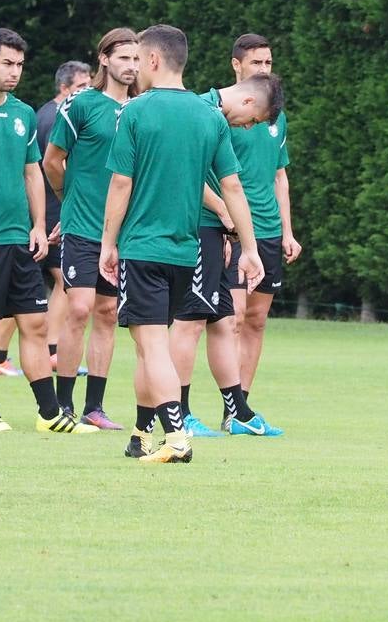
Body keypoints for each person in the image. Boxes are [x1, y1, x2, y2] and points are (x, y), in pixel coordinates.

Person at [99, 24, 263, 464]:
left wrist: (107, 243)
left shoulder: (135, 112)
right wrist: (249, 248)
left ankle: (176, 437)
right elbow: (231, 186)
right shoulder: (208, 115)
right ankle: (139, 434)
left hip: (142, 248)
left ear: (152, 60)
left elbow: (119, 183)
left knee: (152, 344)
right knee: (147, 344)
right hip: (186, 252)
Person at [0, 28, 94, 434]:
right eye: (7, 64)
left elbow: (33, 173)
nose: (14, 72)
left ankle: (49, 415)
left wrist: (40, 225)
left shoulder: (24, 113)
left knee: (35, 325)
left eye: (20, 65)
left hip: (19, 239)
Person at [170, 72, 284, 439]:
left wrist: (232, 233)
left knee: (221, 319)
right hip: (194, 227)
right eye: (251, 120)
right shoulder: (201, 110)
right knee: (189, 321)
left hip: (214, 230)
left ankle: (238, 411)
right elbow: (186, 171)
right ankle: (178, 413)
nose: (248, 128)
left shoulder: (216, 115)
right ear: (248, 102)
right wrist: (222, 211)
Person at [44, 31, 139, 430]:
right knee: (79, 309)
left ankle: (93, 407)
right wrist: (69, 202)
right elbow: (52, 160)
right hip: (82, 226)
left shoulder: (142, 109)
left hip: (121, 232)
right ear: (104, 59)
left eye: (137, 58)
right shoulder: (81, 105)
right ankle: (62, 405)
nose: (131, 66)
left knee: (106, 313)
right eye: (124, 58)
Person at [211, 33, 301, 433]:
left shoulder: (274, 115)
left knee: (258, 320)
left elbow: (280, 176)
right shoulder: (221, 111)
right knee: (232, 318)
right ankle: (229, 405)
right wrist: (226, 219)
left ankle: (241, 409)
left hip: (267, 231)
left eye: (268, 62)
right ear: (237, 66)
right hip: (230, 227)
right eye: (257, 63)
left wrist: (288, 231)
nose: (264, 69)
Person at [0, 60, 90, 377]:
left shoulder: (42, 113)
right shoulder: (57, 117)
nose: (87, 93)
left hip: (40, 215)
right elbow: (49, 166)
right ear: (64, 88)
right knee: (63, 282)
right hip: (51, 213)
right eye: (82, 87)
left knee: (29, 289)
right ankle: (50, 348)